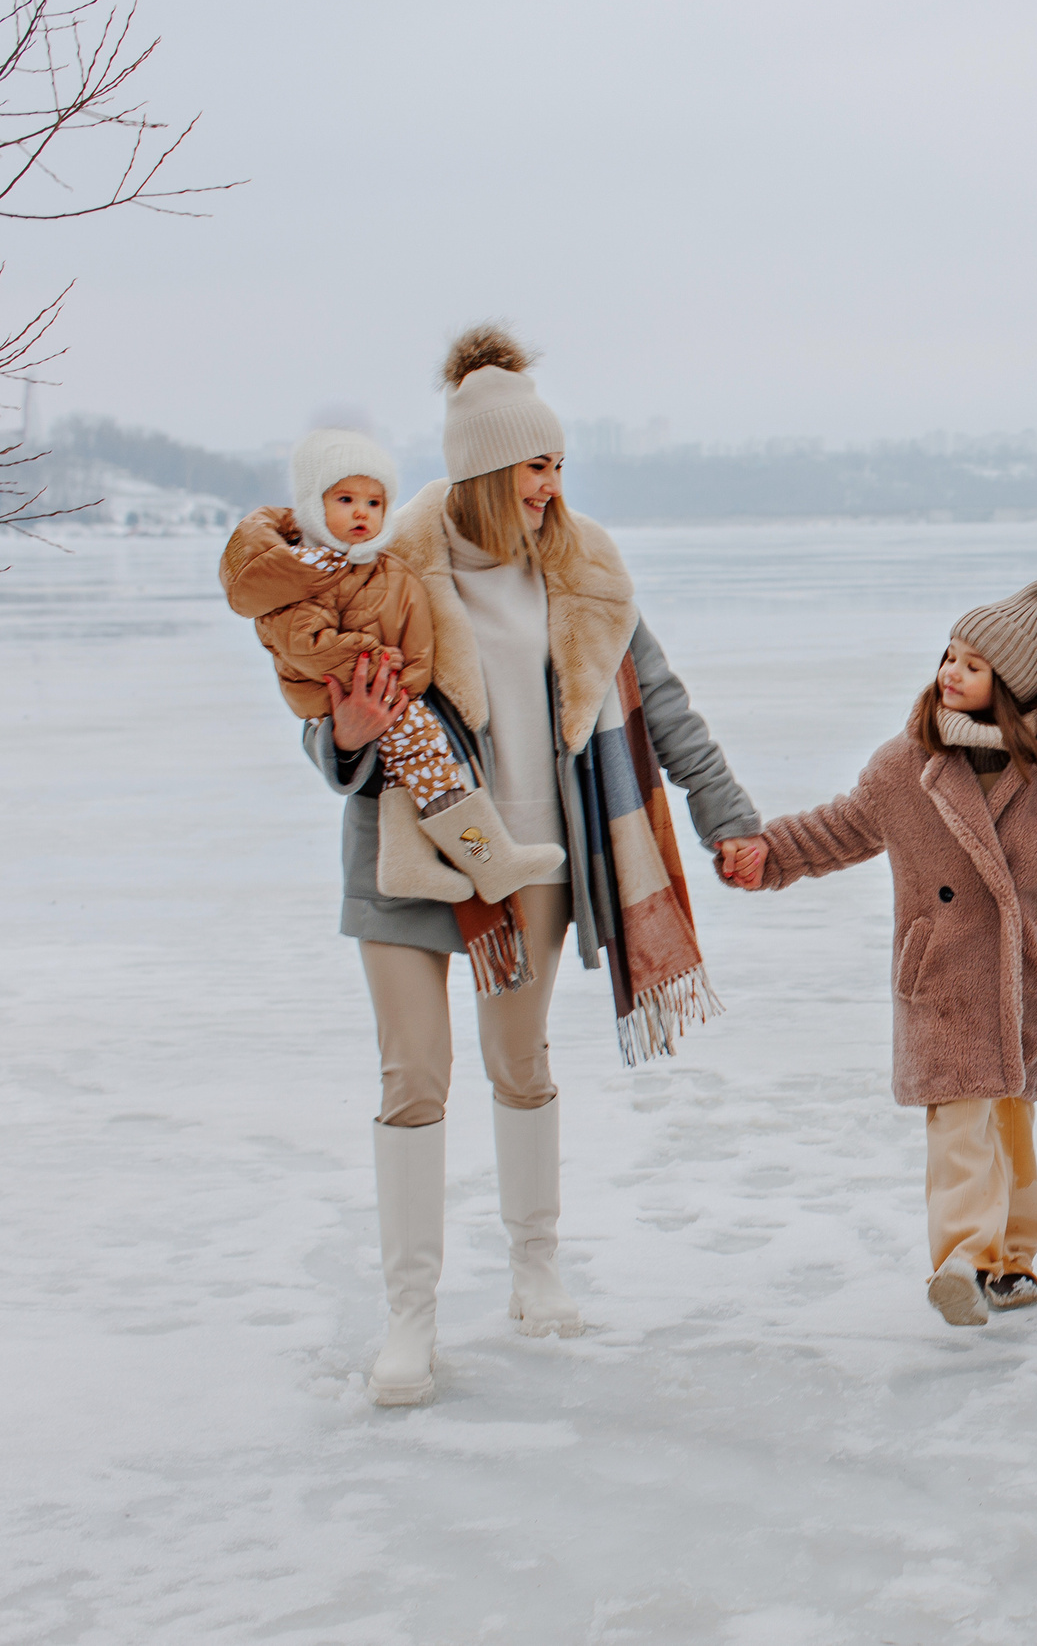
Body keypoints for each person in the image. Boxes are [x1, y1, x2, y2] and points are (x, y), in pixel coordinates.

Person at [309, 325, 763, 1405]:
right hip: (410, 861)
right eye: (534, 466)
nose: (551, 487)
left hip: (537, 861)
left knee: (520, 1066)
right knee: (414, 1076)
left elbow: (669, 708)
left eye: (559, 464)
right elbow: (324, 722)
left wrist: (729, 818)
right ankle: (410, 1318)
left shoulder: (586, 571)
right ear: (480, 469)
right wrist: (351, 734)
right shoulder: (391, 572)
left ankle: (534, 1266)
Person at [724, 580, 1037, 1325]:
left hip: (1020, 977)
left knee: (1011, 1127)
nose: (950, 672)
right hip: (942, 975)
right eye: (949, 655)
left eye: (972, 664)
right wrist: (767, 854)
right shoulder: (906, 766)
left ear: (1012, 685)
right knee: (959, 1127)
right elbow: (838, 829)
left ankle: (1013, 1262)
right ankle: (964, 1260)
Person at [223, 429, 562, 904]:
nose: (362, 512)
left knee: (412, 768)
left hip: (390, 692)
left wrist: (406, 676)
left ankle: (408, 862)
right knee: (428, 760)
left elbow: (413, 634)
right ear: (312, 506)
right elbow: (305, 643)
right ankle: (490, 859)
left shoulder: (378, 567)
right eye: (345, 499)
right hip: (347, 693)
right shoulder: (307, 573)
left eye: (375, 502)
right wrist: (378, 660)